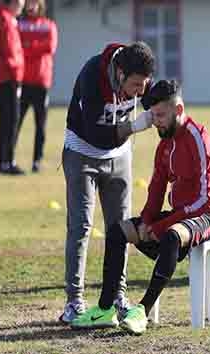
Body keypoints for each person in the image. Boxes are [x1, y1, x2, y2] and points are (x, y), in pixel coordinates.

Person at [70, 80, 210, 335]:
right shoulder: (164, 143)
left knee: (172, 235)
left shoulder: (199, 139)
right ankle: (105, 308)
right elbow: (156, 189)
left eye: (161, 115)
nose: (156, 122)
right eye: (152, 115)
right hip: (180, 217)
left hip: (209, 216)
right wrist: (146, 221)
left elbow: (203, 200)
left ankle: (141, 311)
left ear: (178, 110)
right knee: (118, 231)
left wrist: (161, 225)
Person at [60, 42, 156, 324]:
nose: (140, 92)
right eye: (136, 85)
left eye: (144, 85)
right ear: (120, 72)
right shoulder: (92, 74)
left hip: (119, 157)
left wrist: (170, 104)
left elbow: (158, 98)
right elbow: (96, 134)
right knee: (81, 225)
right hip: (83, 153)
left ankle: (117, 296)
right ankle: (74, 301)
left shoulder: (140, 79)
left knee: (121, 227)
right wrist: (134, 126)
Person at [0, 0, 26, 175]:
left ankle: (4, 162)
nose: (21, 9)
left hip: (0, 75)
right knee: (12, 119)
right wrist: (17, 76)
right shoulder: (6, 20)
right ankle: (7, 162)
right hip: (9, 76)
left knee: (6, 119)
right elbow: (10, 51)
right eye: (21, 6)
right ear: (14, 3)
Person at [17, 0, 57, 173]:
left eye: (34, 2)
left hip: (42, 81)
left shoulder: (49, 26)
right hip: (23, 81)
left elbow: (50, 47)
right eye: (28, 2)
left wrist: (29, 46)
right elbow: (17, 48)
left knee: (40, 124)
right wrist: (35, 47)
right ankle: (8, 158)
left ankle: (36, 161)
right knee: (15, 122)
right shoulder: (19, 25)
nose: (31, 6)